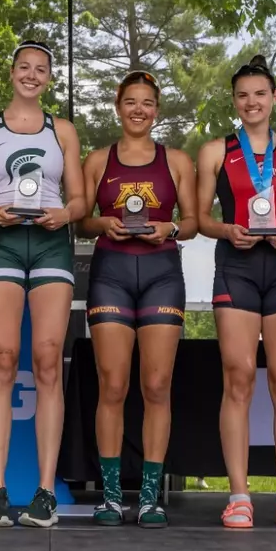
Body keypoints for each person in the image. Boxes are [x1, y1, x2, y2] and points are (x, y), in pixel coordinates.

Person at [0, 39, 84, 528]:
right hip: (4, 244)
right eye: (24, 67)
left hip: (52, 244)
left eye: (41, 69)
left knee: (48, 358)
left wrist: (64, 214)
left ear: (49, 78)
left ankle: (46, 491)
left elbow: (80, 201)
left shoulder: (64, 131)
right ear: (11, 73)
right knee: (3, 359)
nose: (31, 75)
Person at [196, 56, 276, 531]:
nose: (252, 102)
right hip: (236, 268)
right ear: (235, 101)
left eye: (260, 94)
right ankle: (240, 494)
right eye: (243, 95)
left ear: (274, 98)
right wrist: (226, 230)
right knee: (239, 377)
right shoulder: (215, 151)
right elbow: (200, 219)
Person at [79, 70, 197, 526]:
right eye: (131, 101)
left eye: (147, 102)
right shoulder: (97, 160)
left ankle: (149, 496)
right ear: (118, 106)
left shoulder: (177, 161)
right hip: (110, 273)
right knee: (112, 385)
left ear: (157, 110)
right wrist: (102, 224)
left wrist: (168, 228)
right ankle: (111, 496)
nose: (139, 109)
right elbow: (80, 221)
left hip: (162, 274)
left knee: (157, 385)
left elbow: (191, 222)